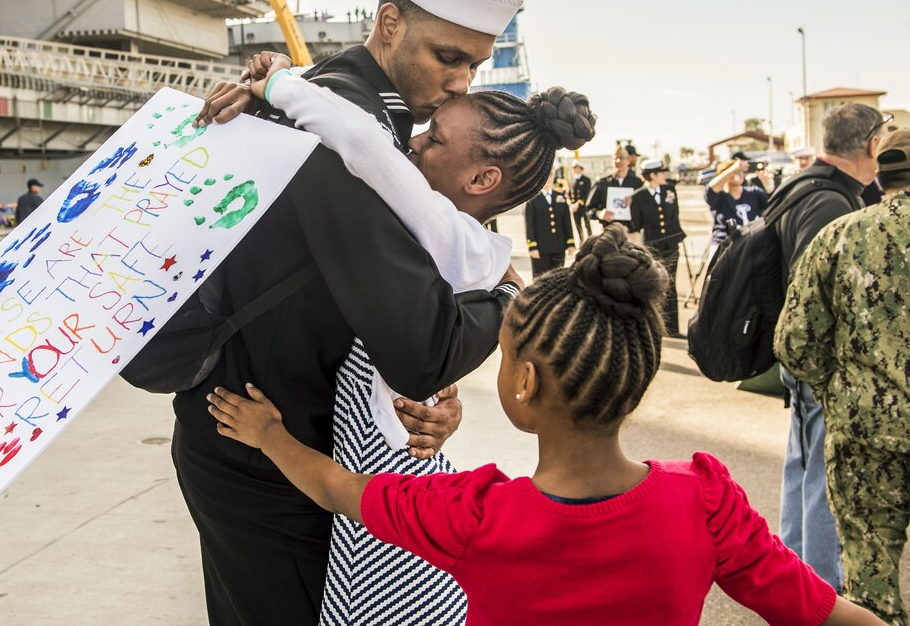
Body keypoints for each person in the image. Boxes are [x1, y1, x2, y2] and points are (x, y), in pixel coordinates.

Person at [122, 0, 524, 625]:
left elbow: (371, 316)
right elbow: (419, 345)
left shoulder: (331, 102)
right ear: (390, 24)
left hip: (272, 436)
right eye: (448, 56)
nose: (461, 81)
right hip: (269, 454)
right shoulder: (347, 135)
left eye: (474, 65)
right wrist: (512, 299)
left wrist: (428, 402)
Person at [208, 226, 882, 626]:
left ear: (525, 384)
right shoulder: (704, 499)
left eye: (502, 357)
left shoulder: (471, 514)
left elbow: (333, 486)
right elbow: (823, 612)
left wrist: (268, 432)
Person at [215, 36, 593, 626]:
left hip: (380, 507)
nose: (413, 142)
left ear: (482, 178)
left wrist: (282, 82)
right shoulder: (484, 255)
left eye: (435, 140)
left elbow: (364, 144)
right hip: (407, 483)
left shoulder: (438, 223)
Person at [775, 128, 910, 625]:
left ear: (884, 173)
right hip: (865, 430)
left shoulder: (843, 235)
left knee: (869, 585)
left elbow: (794, 343)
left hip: (864, 435)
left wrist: (843, 392)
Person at [630, 159, 685, 338]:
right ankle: (656, 328)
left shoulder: (669, 190)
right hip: (652, 246)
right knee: (655, 285)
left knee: (671, 284)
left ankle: (673, 329)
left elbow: (674, 215)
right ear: (652, 175)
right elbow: (636, 224)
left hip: (670, 244)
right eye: (661, 172)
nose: (664, 175)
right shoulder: (638, 196)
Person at [705, 156, 772, 244]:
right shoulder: (720, 196)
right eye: (735, 172)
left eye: (741, 172)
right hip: (724, 243)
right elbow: (710, 189)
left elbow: (772, 203)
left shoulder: (754, 192)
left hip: (753, 240)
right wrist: (733, 168)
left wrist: (768, 185)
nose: (739, 174)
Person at [525, 178, 575, 276]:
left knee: (557, 279)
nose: (548, 178)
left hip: (559, 246)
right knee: (540, 280)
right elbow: (529, 224)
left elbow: (567, 221)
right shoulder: (532, 199)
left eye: (551, 174)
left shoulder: (560, 196)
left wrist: (570, 243)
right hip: (540, 248)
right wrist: (532, 247)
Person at [587, 143, 642, 229]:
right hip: (609, 234)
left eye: (621, 158)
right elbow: (588, 209)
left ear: (628, 160)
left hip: (632, 234)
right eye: (615, 158)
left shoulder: (638, 184)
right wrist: (599, 214)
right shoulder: (602, 184)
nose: (618, 161)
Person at [568, 161, 593, 242]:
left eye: (577, 168)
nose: (575, 169)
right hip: (575, 208)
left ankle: (591, 240)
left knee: (587, 225)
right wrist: (571, 204)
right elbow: (570, 193)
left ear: (581, 169)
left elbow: (587, 194)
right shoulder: (572, 180)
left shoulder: (586, 180)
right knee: (578, 226)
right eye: (574, 168)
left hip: (584, 207)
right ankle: (581, 241)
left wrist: (578, 204)